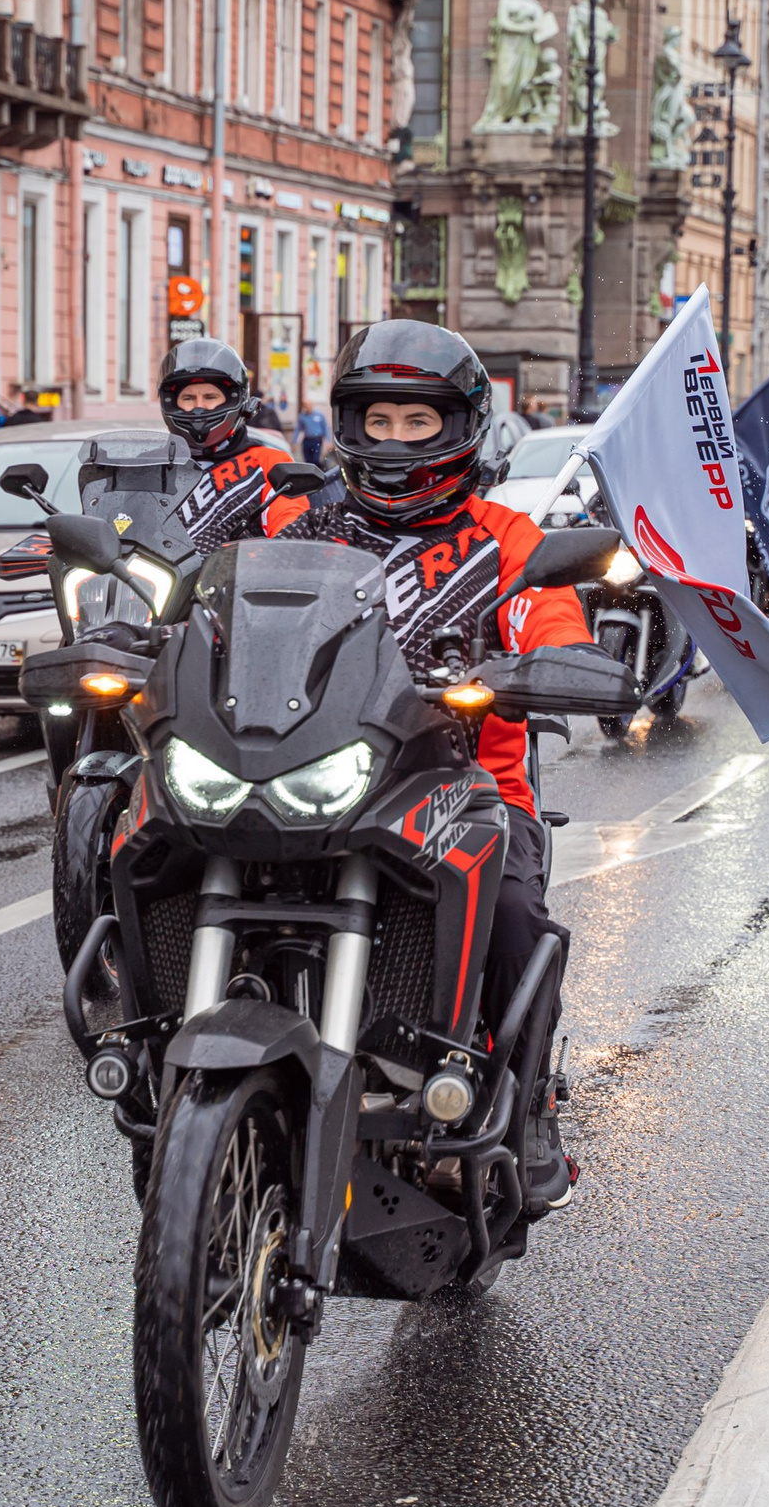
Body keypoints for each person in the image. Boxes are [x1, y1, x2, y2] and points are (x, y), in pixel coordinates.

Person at [260, 320, 590, 1214]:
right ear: (348, 426)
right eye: (378, 420)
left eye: (417, 420)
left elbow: (553, 620)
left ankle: (529, 1111)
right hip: (306, 776)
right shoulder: (303, 525)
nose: (395, 440)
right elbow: (223, 606)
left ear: (461, 427)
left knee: (518, 916)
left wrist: (551, 661)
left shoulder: (506, 537)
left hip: (465, 792)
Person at [154, 337, 311, 550]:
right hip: (151, 580)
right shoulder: (152, 465)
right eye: (188, 398)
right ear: (172, 404)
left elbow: (290, 520)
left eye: (210, 397)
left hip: (240, 578)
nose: (199, 408)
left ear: (233, 400)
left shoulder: (268, 462)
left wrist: (288, 543)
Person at [295, 395, 330, 465]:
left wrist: (328, 440)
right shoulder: (302, 416)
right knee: (308, 460)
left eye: (308, 405)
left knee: (316, 459)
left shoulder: (319, 415)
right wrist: (294, 442)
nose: (306, 407)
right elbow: (298, 429)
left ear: (311, 405)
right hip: (307, 440)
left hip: (317, 440)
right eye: (305, 405)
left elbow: (325, 427)